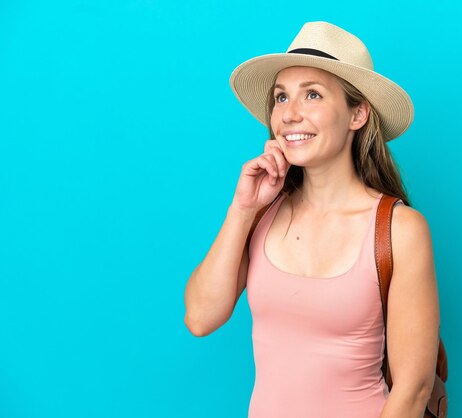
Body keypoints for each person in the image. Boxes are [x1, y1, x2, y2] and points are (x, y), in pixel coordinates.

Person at [184, 21, 441, 418]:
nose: (289, 114)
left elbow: (412, 389)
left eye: (313, 95)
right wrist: (242, 209)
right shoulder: (262, 213)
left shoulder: (399, 229)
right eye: (281, 97)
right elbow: (200, 317)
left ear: (357, 114)